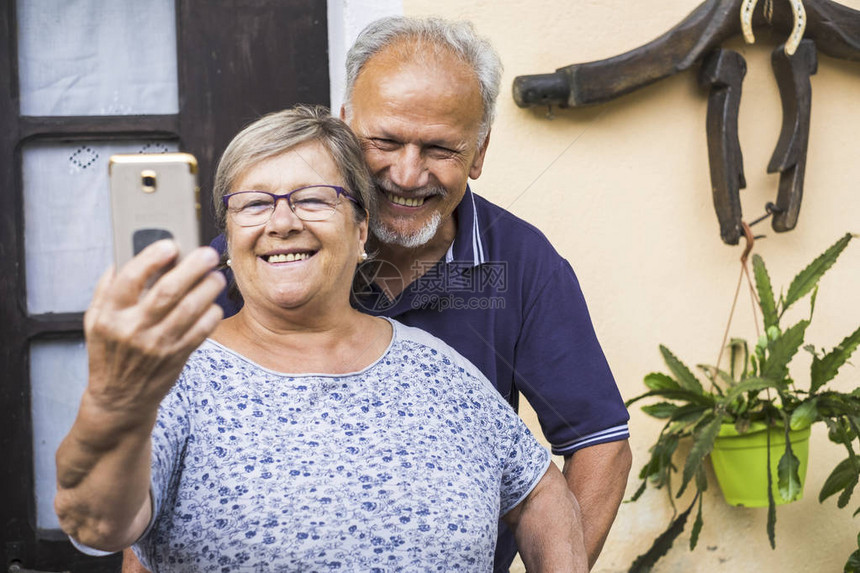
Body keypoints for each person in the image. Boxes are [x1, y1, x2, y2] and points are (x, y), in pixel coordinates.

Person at [126, 15, 631, 573]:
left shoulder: (522, 263)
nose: (408, 174)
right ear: (345, 129)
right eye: (384, 141)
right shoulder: (264, 256)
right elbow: (154, 459)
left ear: (480, 152)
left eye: (440, 149)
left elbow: (597, 442)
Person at [56, 106, 587, 571]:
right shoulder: (175, 372)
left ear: (361, 232)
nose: (282, 222)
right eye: (254, 203)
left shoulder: (434, 367)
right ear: (230, 236)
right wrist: (111, 403)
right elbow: (97, 525)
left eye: (313, 199)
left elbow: (541, 491)